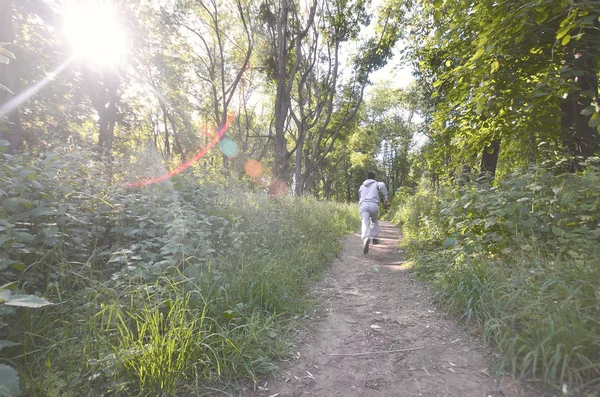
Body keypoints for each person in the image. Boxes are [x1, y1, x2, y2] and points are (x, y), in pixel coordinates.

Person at [358, 171, 389, 254]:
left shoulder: (361, 186)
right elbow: (382, 185)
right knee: (374, 221)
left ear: (367, 177)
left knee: (365, 221)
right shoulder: (376, 183)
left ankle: (366, 237)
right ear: (374, 177)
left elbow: (360, 196)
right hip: (374, 204)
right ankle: (374, 238)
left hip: (364, 205)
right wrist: (385, 196)